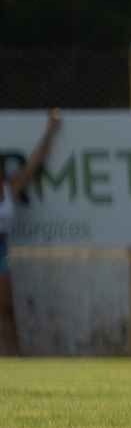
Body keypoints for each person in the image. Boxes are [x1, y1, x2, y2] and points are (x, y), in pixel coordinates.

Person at [2, 108, 62, 356]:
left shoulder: (10, 187)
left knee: (5, 308)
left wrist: (50, 130)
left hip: (1, 248)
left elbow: (36, 160)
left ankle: (15, 358)